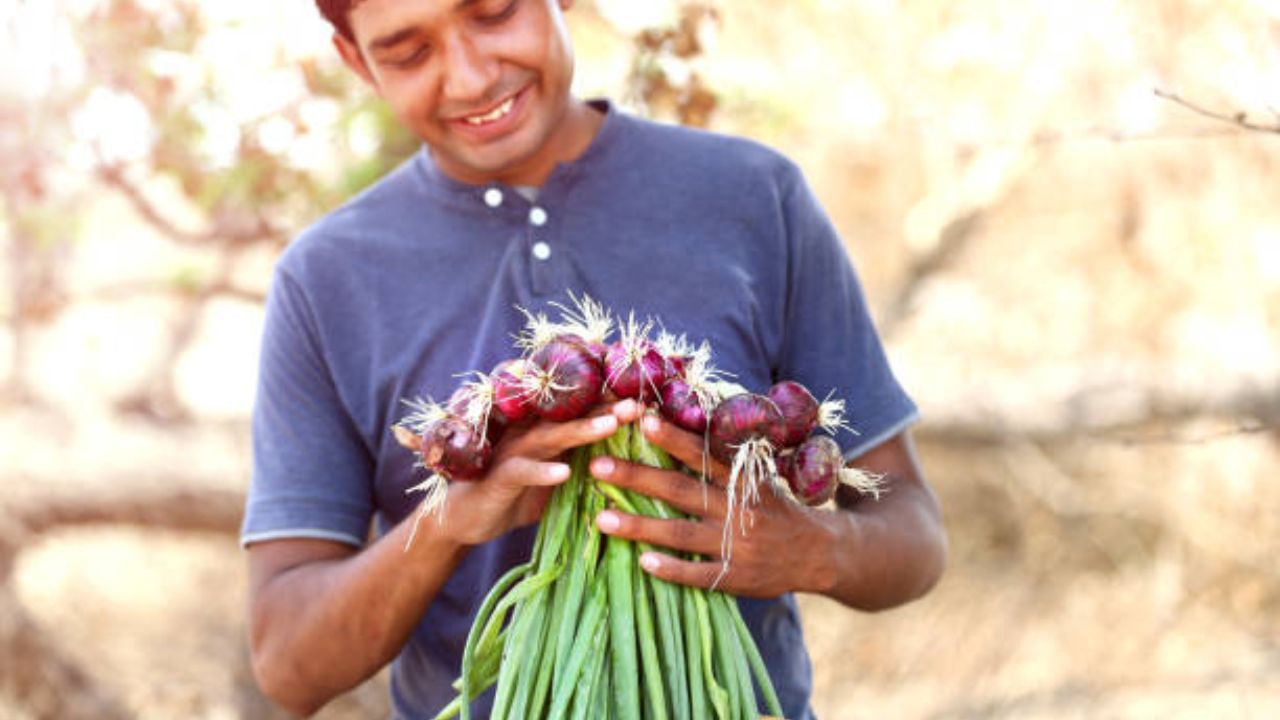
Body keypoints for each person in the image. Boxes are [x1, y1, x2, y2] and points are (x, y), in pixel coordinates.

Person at [241, 1, 948, 718]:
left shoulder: (751, 196)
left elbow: (916, 535)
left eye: (493, 12)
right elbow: (288, 667)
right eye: (406, 51)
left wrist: (814, 548)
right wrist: (447, 525)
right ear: (357, 60)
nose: (469, 77)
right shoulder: (326, 279)